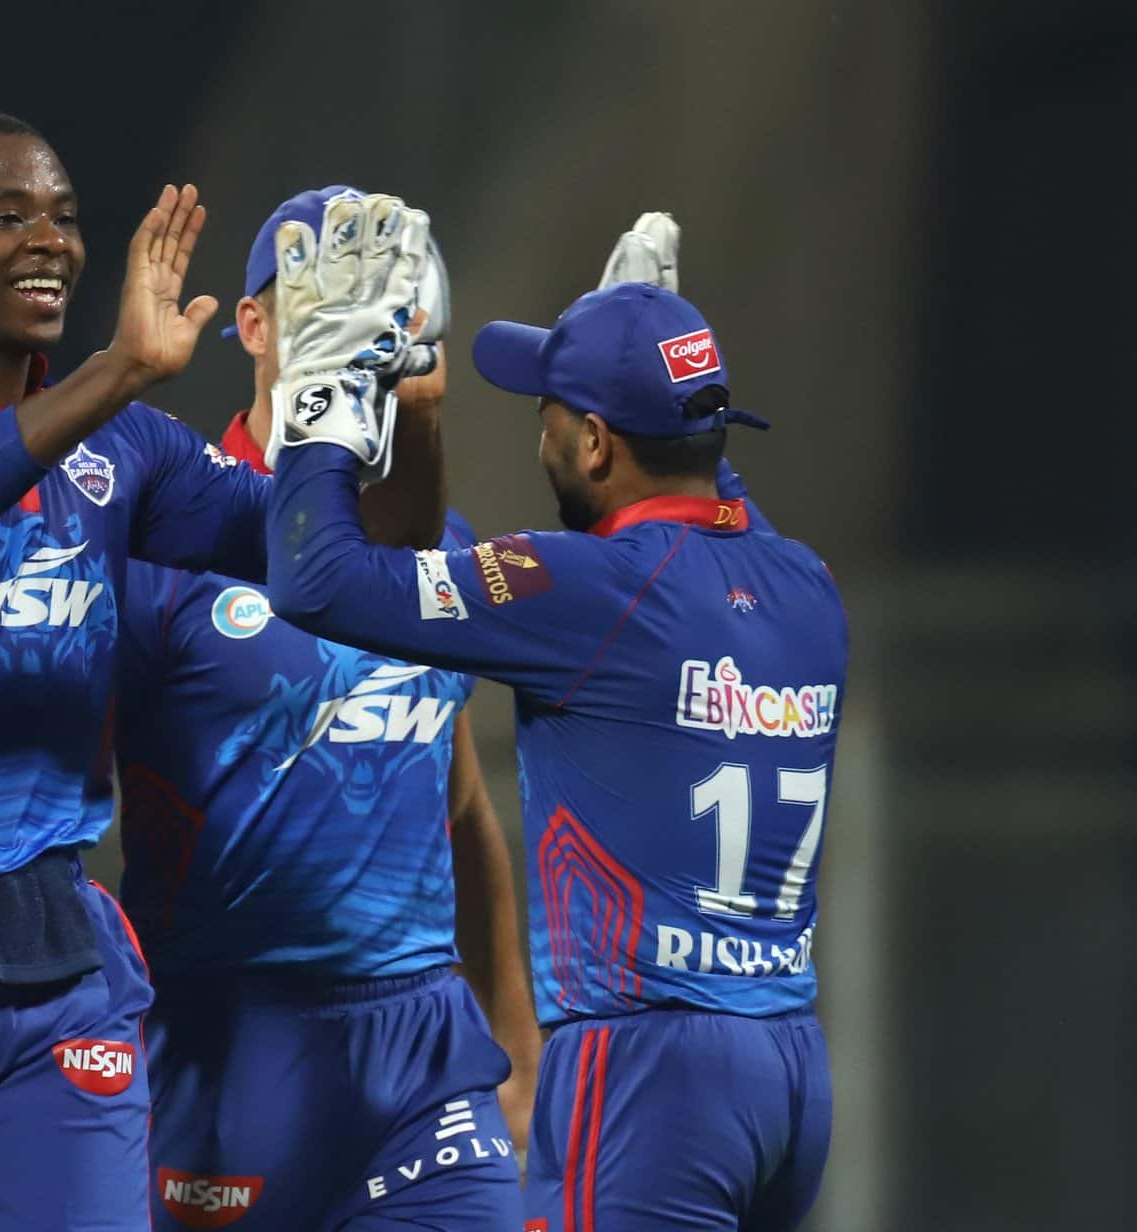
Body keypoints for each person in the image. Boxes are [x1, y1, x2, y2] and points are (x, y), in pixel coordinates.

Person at [0, 113, 430, 1231]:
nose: (46, 241)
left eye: (60, 217)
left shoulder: (129, 448)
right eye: (4, 216)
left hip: (53, 936)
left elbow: (337, 553)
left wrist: (355, 397)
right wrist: (113, 374)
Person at [260, 214, 847, 1231]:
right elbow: (708, 484)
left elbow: (315, 581)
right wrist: (646, 349)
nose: (540, 434)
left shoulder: (577, 585)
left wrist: (322, 399)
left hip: (647, 1071)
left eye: (548, 412)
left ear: (591, 440)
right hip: (790, 1069)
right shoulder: (804, 583)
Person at [114, 187, 538, 1231]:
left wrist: (519, 1045)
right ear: (251, 324)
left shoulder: (445, 547)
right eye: (324, 288)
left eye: (388, 289)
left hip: (423, 1051)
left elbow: (461, 805)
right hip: (228, 1047)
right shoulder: (165, 544)